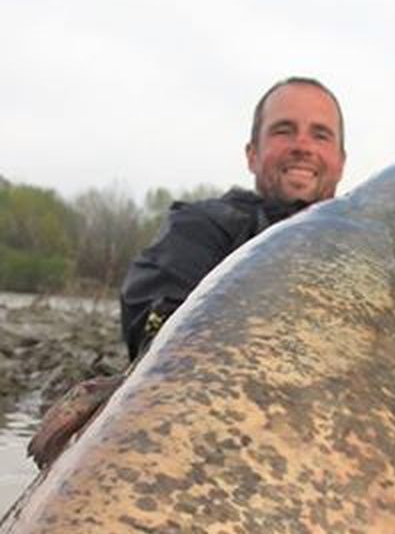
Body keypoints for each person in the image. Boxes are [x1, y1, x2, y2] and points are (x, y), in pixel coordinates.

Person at [120, 76, 346, 360]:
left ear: (341, 163)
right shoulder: (201, 228)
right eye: (283, 130)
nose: (302, 146)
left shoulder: (373, 250)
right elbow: (156, 336)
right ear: (252, 154)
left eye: (320, 135)